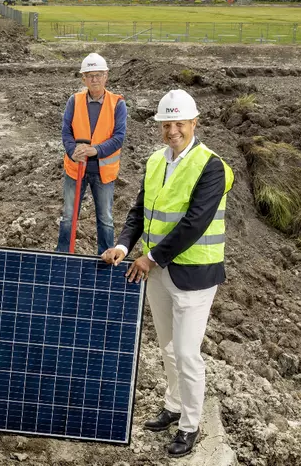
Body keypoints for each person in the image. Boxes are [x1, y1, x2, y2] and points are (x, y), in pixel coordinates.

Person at [101, 89, 234, 458]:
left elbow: (194, 223)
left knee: (188, 353)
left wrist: (151, 258)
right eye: (166, 124)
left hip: (194, 276)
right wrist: (125, 247)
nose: (172, 130)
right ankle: (173, 405)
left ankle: (190, 425)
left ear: (195, 122)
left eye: (179, 123)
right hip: (158, 273)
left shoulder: (212, 167)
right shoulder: (157, 161)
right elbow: (140, 210)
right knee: (168, 348)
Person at [56, 52, 127, 255]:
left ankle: (104, 256)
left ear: (106, 76)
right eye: (90, 75)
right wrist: (72, 151)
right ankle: (62, 255)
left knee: (105, 218)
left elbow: (118, 137)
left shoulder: (118, 104)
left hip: (103, 172)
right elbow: (66, 131)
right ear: (83, 78)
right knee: (69, 216)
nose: (94, 79)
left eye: (98, 75)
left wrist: (96, 150)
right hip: (75, 168)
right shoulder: (74, 101)